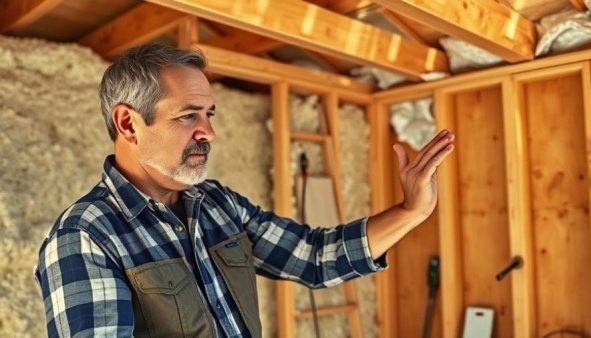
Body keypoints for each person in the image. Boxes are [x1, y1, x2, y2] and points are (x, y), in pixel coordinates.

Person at [34, 43, 454, 337]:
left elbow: (312, 257)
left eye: (209, 114)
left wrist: (411, 211)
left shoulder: (217, 205)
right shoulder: (84, 237)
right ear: (128, 124)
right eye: (188, 116)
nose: (209, 132)